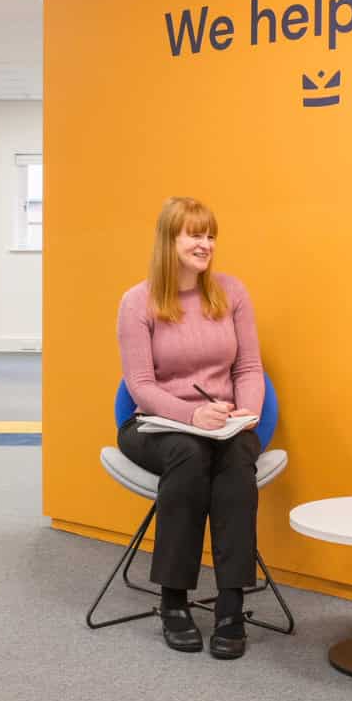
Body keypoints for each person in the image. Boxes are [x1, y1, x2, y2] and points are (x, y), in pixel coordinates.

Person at [116, 196, 265, 660]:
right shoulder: (137, 301)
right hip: (156, 427)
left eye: (210, 235)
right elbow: (140, 386)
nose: (205, 244)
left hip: (220, 424)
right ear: (169, 239)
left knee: (238, 454)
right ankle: (174, 601)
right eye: (194, 235)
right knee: (188, 453)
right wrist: (190, 416)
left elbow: (249, 368)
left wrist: (246, 412)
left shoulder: (232, 293)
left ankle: (231, 605)